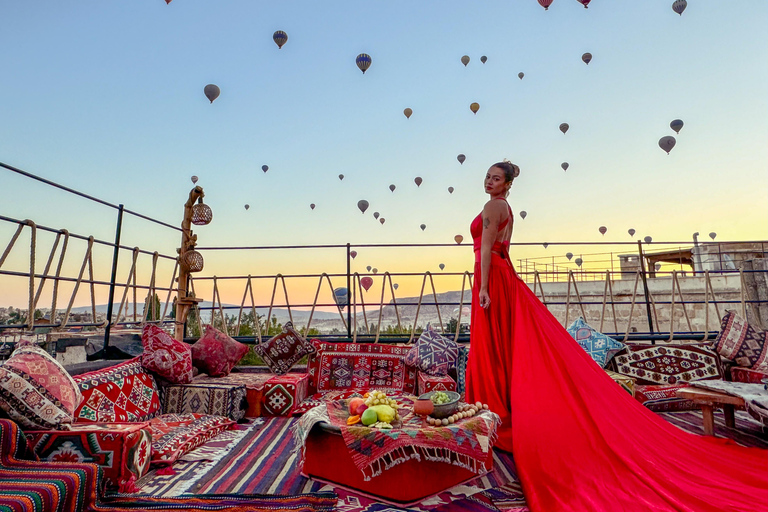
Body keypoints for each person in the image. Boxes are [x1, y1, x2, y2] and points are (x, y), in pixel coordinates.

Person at [464, 161, 768, 511]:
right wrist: (506, 284)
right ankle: (495, 408)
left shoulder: (491, 207)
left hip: (490, 279)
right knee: (504, 345)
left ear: (507, 183)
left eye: (495, 178)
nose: (489, 181)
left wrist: (485, 288)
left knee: (492, 346)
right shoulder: (507, 209)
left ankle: (491, 412)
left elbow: (487, 249)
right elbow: (505, 250)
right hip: (503, 277)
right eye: (487, 176)